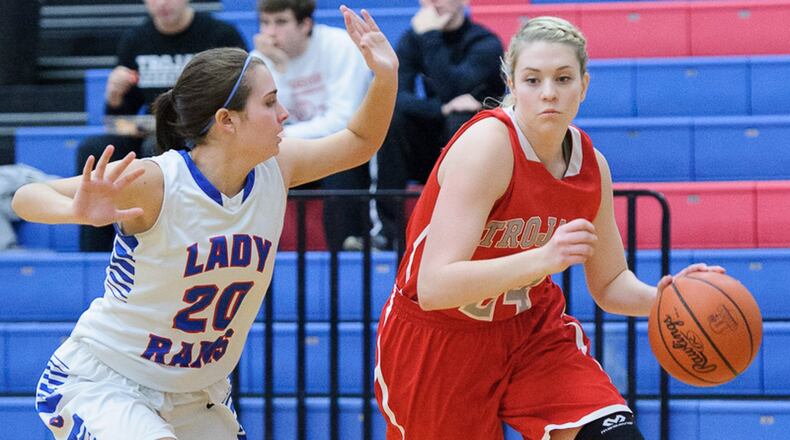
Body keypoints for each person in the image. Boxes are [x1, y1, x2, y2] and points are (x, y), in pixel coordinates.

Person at [13, 7, 397, 439]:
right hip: (110, 382)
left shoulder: (279, 167)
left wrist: (385, 77)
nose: (285, 113)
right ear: (226, 121)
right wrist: (74, 212)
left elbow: (360, 142)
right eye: (270, 102)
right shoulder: (157, 180)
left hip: (199, 392)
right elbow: (25, 196)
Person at [373, 16, 724, 439]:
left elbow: (610, 283)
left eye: (563, 78)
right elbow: (434, 286)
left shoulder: (592, 165)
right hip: (440, 338)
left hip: (529, 331)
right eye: (533, 80)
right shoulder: (488, 147)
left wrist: (672, 301)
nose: (549, 93)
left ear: (584, 86)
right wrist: (542, 258)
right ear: (512, 85)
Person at [76, 0, 247, 251]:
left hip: (206, 132)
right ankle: (98, 253)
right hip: (153, 128)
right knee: (93, 149)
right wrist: (114, 98)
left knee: (152, 148)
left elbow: (241, 98)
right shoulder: (135, 39)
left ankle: (158, 244)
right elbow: (118, 121)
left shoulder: (220, 34)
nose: (163, 3)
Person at [374, 0, 504, 249]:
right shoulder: (414, 39)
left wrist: (431, 36)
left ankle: (462, 229)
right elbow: (395, 96)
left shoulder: (485, 43)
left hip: (478, 156)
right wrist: (441, 109)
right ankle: (389, 233)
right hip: (430, 151)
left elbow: (455, 87)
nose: (433, 2)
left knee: (462, 121)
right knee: (394, 118)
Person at [253, 0, 378, 251]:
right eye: (265, 23)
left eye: (281, 22)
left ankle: (346, 250)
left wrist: (284, 135)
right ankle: (254, 251)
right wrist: (278, 66)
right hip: (287, 149)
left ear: (306, 24)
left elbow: (343, 120)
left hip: (343, 147)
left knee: (340, 157)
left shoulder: (339, 45)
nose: (270, 32)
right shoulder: (259, 61)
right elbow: (272, 116)